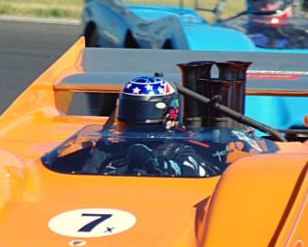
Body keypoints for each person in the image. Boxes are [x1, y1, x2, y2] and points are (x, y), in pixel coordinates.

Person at [83, 76, 223, 177]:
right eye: (131, 109)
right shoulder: (105, 150)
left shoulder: (180, 152)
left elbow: (196, 176)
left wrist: (152, 163)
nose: (136, 119)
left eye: (142, 111)